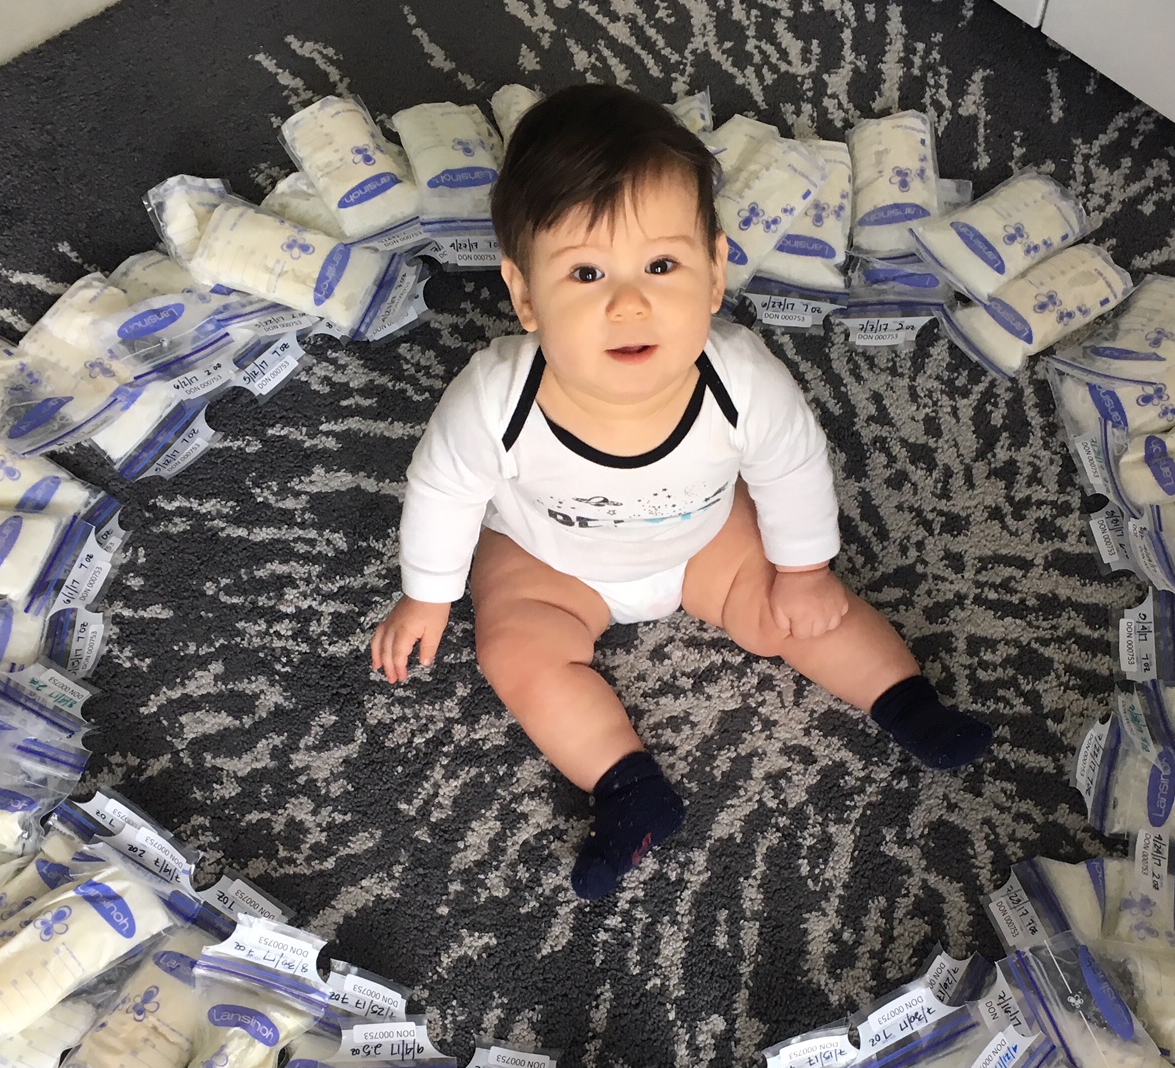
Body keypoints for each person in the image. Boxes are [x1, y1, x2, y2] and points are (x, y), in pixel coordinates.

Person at [371, 85, 993, 900]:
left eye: (662, 265)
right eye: (586, 273)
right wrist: (427, 597)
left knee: (797, 603)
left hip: (705, 543)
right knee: (514, 650)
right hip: (550, 559)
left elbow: (793, 468)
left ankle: (906, 702)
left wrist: (805, 570)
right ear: (526, 296)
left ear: (713, 274)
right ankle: (628, 789)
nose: (629, 302)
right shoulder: (494, 399)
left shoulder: (740, 382)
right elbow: (443, 490)